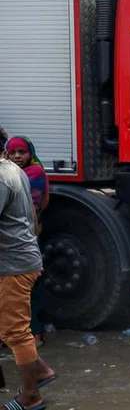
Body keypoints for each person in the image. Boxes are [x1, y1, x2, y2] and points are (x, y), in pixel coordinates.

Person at [0, 148, 56, 410]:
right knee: (7, 326)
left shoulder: (2, 176)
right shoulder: (13, 170)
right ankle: (41, 371)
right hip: (20, 259)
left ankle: (31, 396)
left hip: (14, 265)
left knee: (15, 331)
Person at [4, 136, 49, 346]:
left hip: (25, 239)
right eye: (12, 153)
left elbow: (31, 206)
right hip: (26, 239)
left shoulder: (30, 174)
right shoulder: (18, 174)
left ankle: (34, 333)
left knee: (24, 291)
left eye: (21, 152)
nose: (17, 156)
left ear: (30, 153)